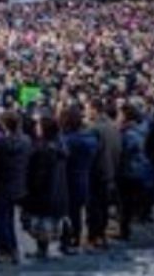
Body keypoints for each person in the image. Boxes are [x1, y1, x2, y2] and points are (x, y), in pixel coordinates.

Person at [0, 110, 31, 264]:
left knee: (1, 219)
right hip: (19, 184)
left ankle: (7, 249)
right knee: (9, 218)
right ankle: (12, 248)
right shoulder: (26, 141)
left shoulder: (1, 144)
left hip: (2, 184)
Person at [24, 115, 69, 260]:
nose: (36, 127)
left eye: (38, 125)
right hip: (57, 192)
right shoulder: (59, 146)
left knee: (41, 223)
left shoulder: (43, 150)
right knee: (49, 222)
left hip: (43, 193)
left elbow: (38, 175)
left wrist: (30, 189)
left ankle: (42, 250)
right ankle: (45, 248)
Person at [60, 106, 99, 254]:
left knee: (68, 212)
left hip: (69, 179)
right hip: (84, 177)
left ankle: (67, 240)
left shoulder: (67, 140)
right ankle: (75, 238)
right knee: (76, 212)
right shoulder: (91, 139)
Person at [85, 99, 121, 249]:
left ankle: (94, 236)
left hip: (96, 172)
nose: (85, 112)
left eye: (87, 108)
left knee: (94, 207)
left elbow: (91, 153)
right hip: (111, 171)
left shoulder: (94, 129)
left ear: (94, 110)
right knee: (104, 206)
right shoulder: (113, 126)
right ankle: (101, 235)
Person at [117, 104, 154, 242]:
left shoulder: (130, 133)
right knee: (127, 202)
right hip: (137, 169)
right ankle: (125, 227)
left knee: (125, 202)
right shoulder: (141, 129)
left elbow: (126, 150)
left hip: (129, 170)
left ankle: (124, 230)